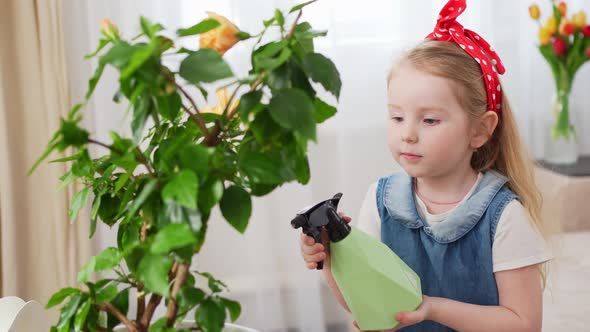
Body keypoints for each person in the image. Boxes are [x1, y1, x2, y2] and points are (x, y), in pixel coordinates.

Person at [298, 0, 553, 331]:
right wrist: (333, 260)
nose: (408, 134)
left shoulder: (503, 215)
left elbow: (524, 324)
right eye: (397, 117)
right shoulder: (381, 201)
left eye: (430, 119)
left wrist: (432, 308)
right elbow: (363, 302)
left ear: (480, 130)